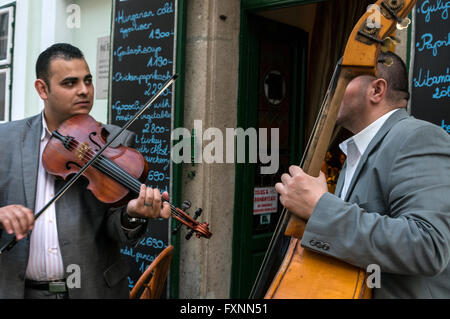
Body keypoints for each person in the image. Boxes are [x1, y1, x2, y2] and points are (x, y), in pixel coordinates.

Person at [0, 43, 171, 299]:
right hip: (19, 291)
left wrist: (132, 215)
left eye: (88, 81)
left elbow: (116, 228)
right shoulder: (5, 139)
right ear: (42, 89)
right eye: (70, 83)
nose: (84, 91)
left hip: (92, 291)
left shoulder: (115, 141)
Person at [275, 51, 450, 298]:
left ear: (377, 90)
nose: (329, 92)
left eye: (341, 80)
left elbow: (428, 246)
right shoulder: (355, 153)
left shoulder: (416, 137)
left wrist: (320, 208)